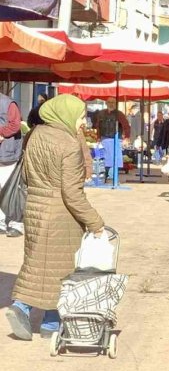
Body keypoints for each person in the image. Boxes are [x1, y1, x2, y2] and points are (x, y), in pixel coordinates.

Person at [5, 95, 104, 341]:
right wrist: (95, 221)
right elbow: (71, 193)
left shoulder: (35, 135)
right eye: (81, 117)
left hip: (35, 208)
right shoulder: (69, 143)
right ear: (67, 114)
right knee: (62, 269)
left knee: (37, 263)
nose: (83, 122)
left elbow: (27, 177)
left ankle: (34, 313)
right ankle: (40, 317)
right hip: (61, 214)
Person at [0, 89, 24, 238]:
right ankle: (1, 221)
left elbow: (15, 125)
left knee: (10, 190)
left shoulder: (8, 103)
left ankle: (16, 223)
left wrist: (1, 133)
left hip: (7, 154)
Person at [93, 98, 130, 184]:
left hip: (116, 140)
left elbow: (126, 126)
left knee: (115, 160)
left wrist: (127, 138)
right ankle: (104, 177)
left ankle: (113, 178)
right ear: (106, 103)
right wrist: (98, 138)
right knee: (104, 160)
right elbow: (98, 126)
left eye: (113, 102)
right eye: (109, 102)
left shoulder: (119, 114)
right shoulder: (101, 113)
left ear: (115, 103)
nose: (111, 104)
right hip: (104, 139)